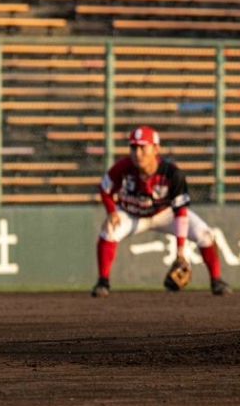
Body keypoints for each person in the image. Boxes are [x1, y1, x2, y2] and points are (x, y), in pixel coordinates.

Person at [90, 125, 232, 297]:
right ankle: (103, 282)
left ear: (156, 149)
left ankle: (216, 281)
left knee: (205, 234)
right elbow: (105, 190)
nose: (137, 153)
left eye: (143, 147)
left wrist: (180, 251)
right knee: (109, 230)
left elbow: (180, 213)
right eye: (133, 147)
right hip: (132, 213)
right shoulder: (122, 167)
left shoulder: (172, 173)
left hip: (165, 213)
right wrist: (111, 211)